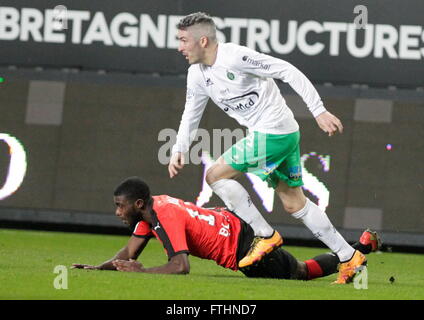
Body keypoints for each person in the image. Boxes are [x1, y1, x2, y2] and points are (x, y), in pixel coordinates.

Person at [167, 12, 363, 283]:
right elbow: (192, 112)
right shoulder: (197, 75)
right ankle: (348, 256)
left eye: (183, 40)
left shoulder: (234, 56)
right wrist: (179, 148)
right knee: (295, 203)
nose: (179, 47)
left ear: (202, 41)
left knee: (215, 175)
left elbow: (287, 70)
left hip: (274, 133)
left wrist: (319, 111)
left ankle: (264, 234)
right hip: (283, 134)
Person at [72, 177, 380, 284]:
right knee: (296, 270)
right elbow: (128, 252)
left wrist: (142, 273)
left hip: (244, 248)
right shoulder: (151, 211)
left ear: (137, 203)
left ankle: (358, 250)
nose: (117, 212)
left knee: (299, 272)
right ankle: (356, 249)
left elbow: (181, 267)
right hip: (236, 232)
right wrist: (99, 269)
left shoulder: (163, 215)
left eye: (119, 205)